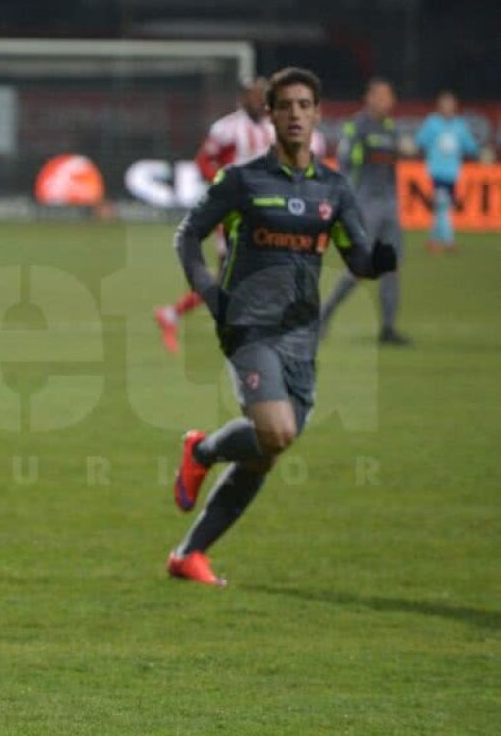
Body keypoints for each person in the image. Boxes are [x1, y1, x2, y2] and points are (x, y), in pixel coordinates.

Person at [166, 67, 396, 586]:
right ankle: (200, 450)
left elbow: (356, 257)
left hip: (301, 330)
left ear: (317, 114)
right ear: (270, 114)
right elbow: (188, 237)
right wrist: (209, 292)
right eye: (285, 105)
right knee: (278, 431)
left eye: (304, 105)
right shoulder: (243, 181)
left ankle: (189, 554)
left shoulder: (334, 190)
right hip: (247, 324)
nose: (295, 114)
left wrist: (377, 259)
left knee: (268, 453)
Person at [155, 78, 327, 353]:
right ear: (244, 97)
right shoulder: (226, 128)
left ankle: (177, 315)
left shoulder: (276, 127)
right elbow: (203, 161)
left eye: (264, 95)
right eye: (254, 94)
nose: (259, 99)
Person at [319, 78, 408, 345]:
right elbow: (345, 167)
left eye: (390, 96)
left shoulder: (390, 129)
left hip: (390, 206)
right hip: (365, 205)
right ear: (370, 98)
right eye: (382, 96)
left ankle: (388, 329)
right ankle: (324, 314)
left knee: (391, 267)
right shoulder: (358, 128)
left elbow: (392, 170)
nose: (387, 101)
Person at [414, 91, 481, 253]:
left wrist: (480, 150)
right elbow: (420, 140)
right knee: (443, 205)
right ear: (439, 107)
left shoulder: (459, 125)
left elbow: (469, 145)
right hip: (436, 172)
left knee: (441, 208)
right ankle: (449, 241)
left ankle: (433, 240)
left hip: (452, 173)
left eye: (451, 105)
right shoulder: (432, 123)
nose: (448, 109)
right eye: (445, 105)